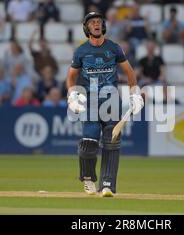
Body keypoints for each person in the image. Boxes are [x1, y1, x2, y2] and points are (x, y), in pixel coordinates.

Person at [66, 12, 144, 197]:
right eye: (92, 22)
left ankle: (108, 185)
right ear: (87, 28)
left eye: (99, 22)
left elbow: (129, 72)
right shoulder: (81, 51)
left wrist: (135, 93)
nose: (97, 25)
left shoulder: (114, 48)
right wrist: (72, 95)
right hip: (91, 103)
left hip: (111, 102)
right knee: (88, 145)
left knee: (112, 143)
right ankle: (88, 179)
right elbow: (70, 77)